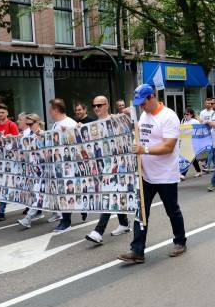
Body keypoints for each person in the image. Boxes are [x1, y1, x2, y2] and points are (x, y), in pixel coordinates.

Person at [118, 84, 186, 263]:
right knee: (141, 212)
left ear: (152, 97)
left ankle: (180, 241)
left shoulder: (169, 116)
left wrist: (144, 149)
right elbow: (139, 133)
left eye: (143, 102)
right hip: (146, 174)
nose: (141, 106)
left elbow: (168, 146)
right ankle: (137, 251)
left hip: (165, 175)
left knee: (172, 210)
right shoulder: (144, 115)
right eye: (139, 104)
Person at [85, 96, 132, 244]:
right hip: (102, 166)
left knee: (110, 194)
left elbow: (133, 121)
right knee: (114, 193)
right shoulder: (92, 125)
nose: (96, 108)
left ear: (107, 105)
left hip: (117, 165)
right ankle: (124, 223)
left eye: (99, 105)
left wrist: (129, 112)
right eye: (94, 105)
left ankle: (98, 231)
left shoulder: (116, 119)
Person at [49, 98, 79, 232]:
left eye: (51, 109)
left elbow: (77, 143)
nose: (49, 112)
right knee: (62, 192)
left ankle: (65, 222)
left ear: (56, 110)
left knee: (67, 193)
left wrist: (67, 132)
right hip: (58, 165)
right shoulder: (55, 124)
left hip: (69, 166)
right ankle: (67, 218)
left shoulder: (70, 123)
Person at [16, 114, 49, 228]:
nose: (29, 126)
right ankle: (58, 213)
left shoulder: (43, 134)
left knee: (39, 193)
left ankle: (28, 219)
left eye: (31, 124)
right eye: (28, 124)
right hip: (33, 169)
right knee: (44, 193)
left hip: (44, 169)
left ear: (37, 122)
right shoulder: (28, 135)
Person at [180, 108, 203, 178]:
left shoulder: (195, 121)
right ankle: (199, 171)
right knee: (192, 158)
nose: (185, 115)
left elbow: (200, 131)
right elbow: (181, 130)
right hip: (185, 141)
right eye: (184, 114)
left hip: (193, 142)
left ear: (191, 114)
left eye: (187, 114)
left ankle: (183, 174)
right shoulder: (183, 120)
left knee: (188, 157)